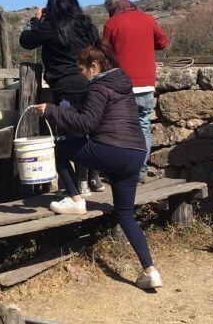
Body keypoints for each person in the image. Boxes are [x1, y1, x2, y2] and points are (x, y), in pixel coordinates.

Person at [35, 40, 162, 289]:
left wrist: (52, 110)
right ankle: (150, 270)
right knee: (126, 214)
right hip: (135, 153)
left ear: (94, 66)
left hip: (113, 150)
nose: (81, 75)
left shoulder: (98, 87)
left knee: (60, 147)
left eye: (82, 69)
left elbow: (87, 124)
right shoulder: (122, 84)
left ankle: (75, 199)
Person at [19, 0, 105, 196]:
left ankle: (80, 182)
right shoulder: (87, 25)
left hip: (65, 85)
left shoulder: (51, 26)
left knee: (70, 133)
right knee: (91, 128)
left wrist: (35, 20)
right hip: (89, 81)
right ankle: (93, 177)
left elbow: (26, 41)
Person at [101, 0, 168, 181]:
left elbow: (103, 54)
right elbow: (162, 43)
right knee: (144, 126)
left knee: (119, 129)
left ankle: (123, 171)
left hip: (122, 85)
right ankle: (140, 171)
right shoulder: (147, 19)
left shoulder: (112, 23)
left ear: (112, 7)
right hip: (146, 84)